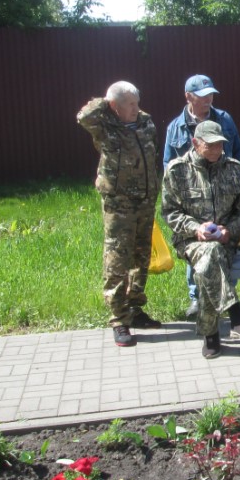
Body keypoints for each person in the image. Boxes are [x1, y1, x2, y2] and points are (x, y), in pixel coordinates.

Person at [161, 121, 240, 359]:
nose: (217, 149)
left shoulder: (234, 168)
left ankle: (211, 336)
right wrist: (196, 228)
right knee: (210, 252)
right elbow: (169, 212)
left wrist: (230, 230)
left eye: (220, 144)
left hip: (226, 240)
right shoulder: (177, 170)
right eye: (211, 145)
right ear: (195, 143)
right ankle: (236, 315)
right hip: (190, 240)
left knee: (208, 263)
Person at [76, 81, 162, 347]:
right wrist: (106, 101)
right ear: (114, 106)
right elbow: (83, 116)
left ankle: (135, 308)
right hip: (119, 203)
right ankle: (119, 319)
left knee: (141, 256)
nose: (136, 109)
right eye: (130, 104)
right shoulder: (104, 124)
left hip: (145, 200)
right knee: (117, 260)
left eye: (137, 102)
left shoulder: (146, 122)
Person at [162, 74, 240, 320]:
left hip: (224, 199)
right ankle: (211, 302)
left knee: (216, 247)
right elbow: (168, 165)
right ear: (188, 97)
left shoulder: (224, 120)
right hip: (192, 204)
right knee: (205, 249)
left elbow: (238, 153)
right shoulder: (176, 127)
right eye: (202, 96)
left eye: (211, 94)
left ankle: (212, 314)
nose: (208, 99)